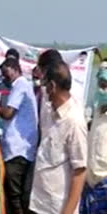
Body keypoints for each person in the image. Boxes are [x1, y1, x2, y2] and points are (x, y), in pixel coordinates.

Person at [29, 60, 87, 214]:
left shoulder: (74, 121)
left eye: (44, 84)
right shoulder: (49, 111)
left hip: (57, 208)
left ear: (52, 86)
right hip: (39, 202)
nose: (42, 89)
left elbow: (80, 171)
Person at [0, 58, 38, 214]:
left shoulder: (20, 85)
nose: (5, 78)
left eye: (6, 73)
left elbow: (8, 113)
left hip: (18, 149)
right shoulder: (22, 85)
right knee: (19, 194)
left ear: (15, 69)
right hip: (22, 147)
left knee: (14, 195)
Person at [80, 68, 107, 213]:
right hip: (90, 182)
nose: (102, 90)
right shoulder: (97, 111)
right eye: (100, 85)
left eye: (105, 86)